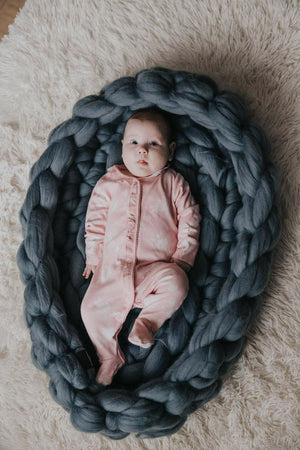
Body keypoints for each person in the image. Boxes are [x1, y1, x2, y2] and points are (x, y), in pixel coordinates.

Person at [81, 108, 201, 385]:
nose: (143, 151)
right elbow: (95, 221)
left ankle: (147, 322)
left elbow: (190, 218)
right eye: (134, 143)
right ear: (122, 146)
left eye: (153, 144)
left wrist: (183, 257)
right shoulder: (109, 184)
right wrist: (94, 256)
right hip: (112, 270)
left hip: (155, 271)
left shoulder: (172, 182)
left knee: (178, 283)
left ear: (170, 151)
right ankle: (109, 356)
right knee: (89, 311)